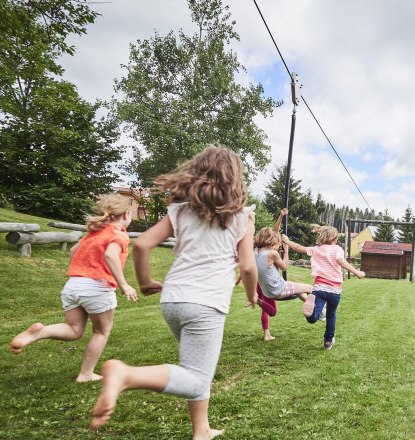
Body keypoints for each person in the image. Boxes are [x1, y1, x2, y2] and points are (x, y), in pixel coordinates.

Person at [90, 146, 259, 440]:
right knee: (195, 378)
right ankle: (126, 375)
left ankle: (201, 430)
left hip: (173, 300)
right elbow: (247, 267)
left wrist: (144, 283)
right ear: (235, 179)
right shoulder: (242, 217)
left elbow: (142, 244)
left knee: (196, 367)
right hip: (206, 304)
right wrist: (252, 295)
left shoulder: (179, 211)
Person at [9, 194, 138, 382]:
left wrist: (77, 274)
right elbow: (111, 256)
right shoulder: (119, 234)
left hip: (73, 285)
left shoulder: (93, 233)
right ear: (126, 214)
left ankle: (41, 332)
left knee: (74, 329)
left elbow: (73, 251)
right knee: (101, 332)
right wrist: (124, 284)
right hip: (97, 287)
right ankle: (86, 374)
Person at [282, 225, 365, 350]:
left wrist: (287, 241)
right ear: (333, 239)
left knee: (315, 316)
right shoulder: (337, 249)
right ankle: (328, 341)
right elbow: (341, 262)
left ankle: (310, 315)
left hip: (319, 288)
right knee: (331, 314)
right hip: (335, 289)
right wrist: (357, 272)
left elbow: (299, 248)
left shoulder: (316, 249)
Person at [247, 207, 312, 341]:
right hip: (278, 288)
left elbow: (273, 233)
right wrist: (286, 249)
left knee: (296, 290)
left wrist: (281, 217)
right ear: (272, 240)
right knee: (309, 288)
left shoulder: (254, 250)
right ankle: (316, 311)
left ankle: (310, 307)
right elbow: (285, 267)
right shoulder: (272, 253)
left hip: (265, 289)